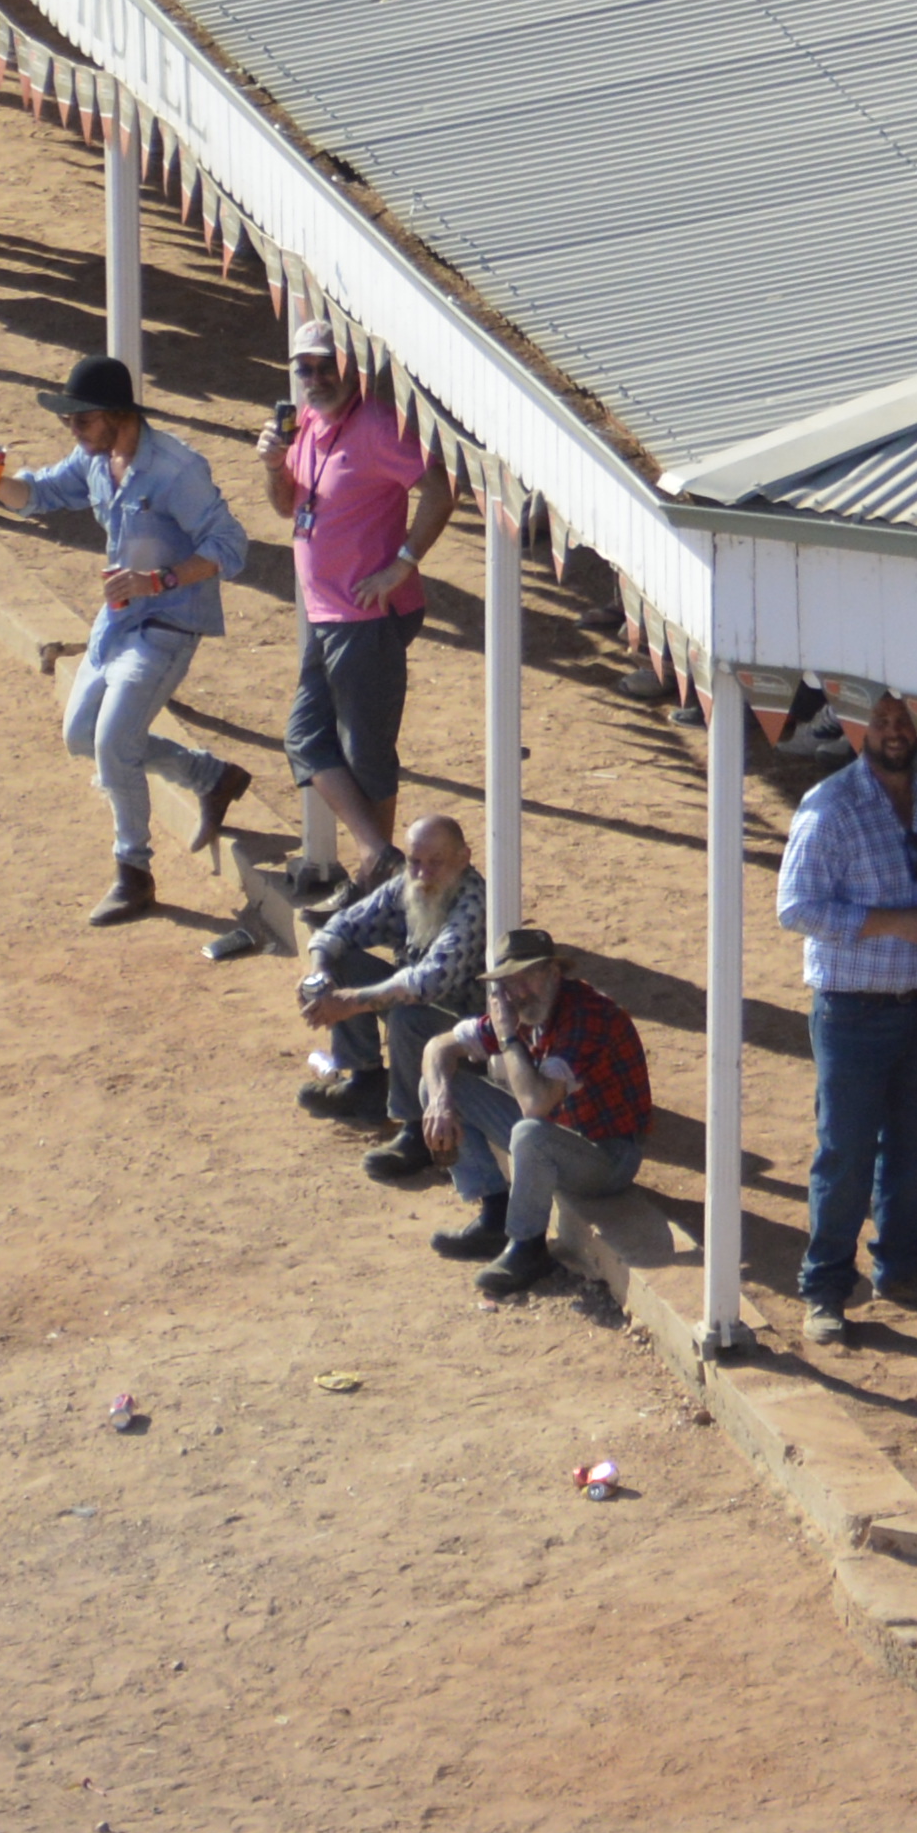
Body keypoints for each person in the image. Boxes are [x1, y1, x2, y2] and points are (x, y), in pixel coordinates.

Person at [0, 352, 253, 927]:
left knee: (112, 740)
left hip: (169, 623)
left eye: (80, 420)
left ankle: (133, 872)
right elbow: (42, 493)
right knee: (82, 736)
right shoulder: (97, 460)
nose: (72, 432)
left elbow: (231, 546)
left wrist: (163, 579)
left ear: (117, 415)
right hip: (118, 620)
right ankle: (211, 776)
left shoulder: (177, 471)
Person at [775, 691, 917, 1349]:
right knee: (843, 1150)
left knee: (912, 1143)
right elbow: (794, 907)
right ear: (857, 728)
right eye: (883, 720)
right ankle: (825, 1288)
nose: (896, 731)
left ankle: (901, 1268)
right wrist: (890, 923)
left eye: (906, 720)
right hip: (853, 1009)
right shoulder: (829, 806)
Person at [265, 318, 452, 914]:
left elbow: (439, 489)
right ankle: (378, 859)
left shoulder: (375, 425)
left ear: (353, 369)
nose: (314, 378)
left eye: (326, 366)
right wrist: (273, 466)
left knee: (365, 752)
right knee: (306, 738)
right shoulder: (307, 425)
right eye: (305, 368)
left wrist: (402, 563)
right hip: (332, 614)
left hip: (368, 616)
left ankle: (378, 879)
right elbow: (288, 506)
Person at [419, 921, 650, 1306]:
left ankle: (527, 1249)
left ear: (553, 973)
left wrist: (508, 1038)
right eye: (508, 982)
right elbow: (437, 1047)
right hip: (559, 1132)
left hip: (607, 1156)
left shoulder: (586, 1015)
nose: (516, 991)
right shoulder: (521, 1009)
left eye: (526, 978)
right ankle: (495, 1213)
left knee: (529, 1132)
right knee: (438, 1085)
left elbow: (535, 1104)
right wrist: (441, 1099)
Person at [294, 807, 478, 1175]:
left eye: (435, 863)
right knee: (344, 962)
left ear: (463, 859)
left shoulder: (473, 906)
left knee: (406, 1014)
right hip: (418, 1002)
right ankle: (366, 1082)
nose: (423, 874)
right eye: (415, 862)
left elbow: (427, 984)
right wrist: (319, 975)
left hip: (466, 1026)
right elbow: (340, 927)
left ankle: (415, 1129)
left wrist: (350, 1002)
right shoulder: (408, 884)